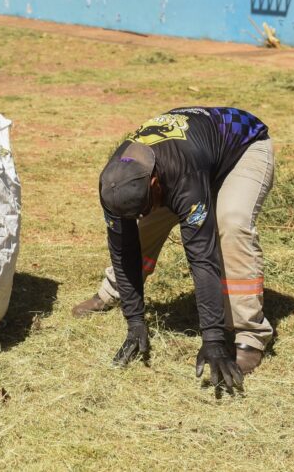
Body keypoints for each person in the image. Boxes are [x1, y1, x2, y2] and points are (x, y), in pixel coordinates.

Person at [74, 107, 275, 390]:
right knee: (144, 228)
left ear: (154, 183)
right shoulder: (113, 180)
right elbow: (123, 248)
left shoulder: (184, 174)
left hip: (243, 148)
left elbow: (202, 257)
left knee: (231, 224)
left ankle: (249, 335)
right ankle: (112, 291)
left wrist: (213, 339)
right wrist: (135, 321)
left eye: (146, 204)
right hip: (187, 160)